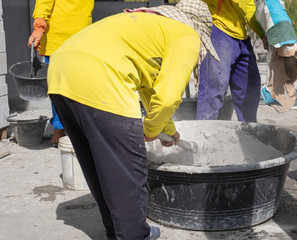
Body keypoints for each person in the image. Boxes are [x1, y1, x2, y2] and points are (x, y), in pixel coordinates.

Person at [47, 0, 219, 239]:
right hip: (100, 78)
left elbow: (151, 88)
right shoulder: (186, 32)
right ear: (199, 27)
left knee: (101, 165)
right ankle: (134, 235)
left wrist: (167, 129)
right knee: (128, 167)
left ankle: (118, 231)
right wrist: (151, 129)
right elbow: (168, 98)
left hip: (60, 73)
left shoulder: (147, 24)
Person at [28, 0, 94, 147]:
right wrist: (39, 27)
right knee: (58, 88)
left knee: (78, 86)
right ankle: (59, 128)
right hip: (57, 40)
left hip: (82, 38)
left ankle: (76, 128)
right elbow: (44, 2)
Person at [196, 0, 268, 122]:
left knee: (249, 87)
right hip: (219, 29)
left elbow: (249, 8)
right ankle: (204, 134)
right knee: (214, 87)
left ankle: (248, 134)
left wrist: (263, 33)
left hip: (241, 36)